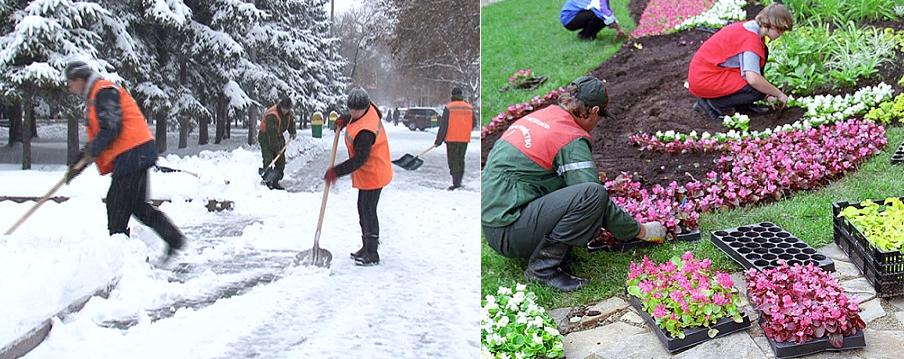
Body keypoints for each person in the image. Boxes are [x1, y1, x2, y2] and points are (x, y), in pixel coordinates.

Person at [482, 76, 666, 292]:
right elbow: (594, 197)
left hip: (494, 221)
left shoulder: (543, 116)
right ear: (594, 110)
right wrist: (640, 231)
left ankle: (545, 252)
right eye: (600, 117)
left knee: (578, 190)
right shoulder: (569, 137)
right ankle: (542, 270)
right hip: (509, 231)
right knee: (591, 195)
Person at [63, 60, 186, 259]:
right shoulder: (98, 94)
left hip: (133, 153)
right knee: (137, 206)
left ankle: (118, 257)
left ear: (79, 79)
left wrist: (86, 156)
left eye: (70, 82)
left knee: (116, 205)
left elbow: (111, 128)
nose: (69, 87)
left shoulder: (103, 92)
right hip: (136, 153)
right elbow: (100, 136)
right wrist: (79, 164)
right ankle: (173, 238)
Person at [688, 3, 794, 121]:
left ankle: (742, 106)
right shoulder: (751, 40)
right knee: (756, 90)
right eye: (781, 31)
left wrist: (769, 94)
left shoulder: (750, 30)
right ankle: (712, 104)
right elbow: (753, 79)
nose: (781, 35)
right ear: (772, 26)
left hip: (708, 73)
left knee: (759, 86)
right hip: (705, 78)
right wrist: (778, 94)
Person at [323, 88, 392, 266]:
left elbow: (359, 159)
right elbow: (354, 117)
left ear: (364, 107)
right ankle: (366, 246)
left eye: (356, 110)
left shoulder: (366, 132)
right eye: (350, 109)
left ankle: (372, 252)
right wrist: (345, 119)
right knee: (362, 208)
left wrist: (336, 172)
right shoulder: (363, 112)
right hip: (368, 172)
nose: (353, 113)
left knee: (369, 210)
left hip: (374, 172)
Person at [434, 87, 475, 190]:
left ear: (452, 95)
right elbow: (474, 123)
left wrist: (438, 141)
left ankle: (455, 183)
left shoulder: (449, 107)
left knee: (453, 161)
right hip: (464, 139)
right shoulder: (469, 107)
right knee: (461, 159)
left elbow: (444, 126)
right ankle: (459, 181)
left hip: (452, 139)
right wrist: (464, 129)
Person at [259, 97, 296, 190]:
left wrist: (293, 132)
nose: (285, 111)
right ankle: (267, 182)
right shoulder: (272, 115)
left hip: (278, 135)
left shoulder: (288, 114)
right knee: (269, 158)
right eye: (284, 109)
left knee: (281, 161)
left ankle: (275, 181)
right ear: (281, 106)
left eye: (287, 109)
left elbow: (291, 123)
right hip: (266, 136)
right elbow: (272, 136)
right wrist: (277, 150)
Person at [560, 0, 626, 41]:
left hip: (576, 15)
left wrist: (614, 24)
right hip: (569, 19)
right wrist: (618, 29)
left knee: (603, 16)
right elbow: (604, 13)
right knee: (599, 15)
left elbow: (606, 11)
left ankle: (585, 34)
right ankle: (586, 36)